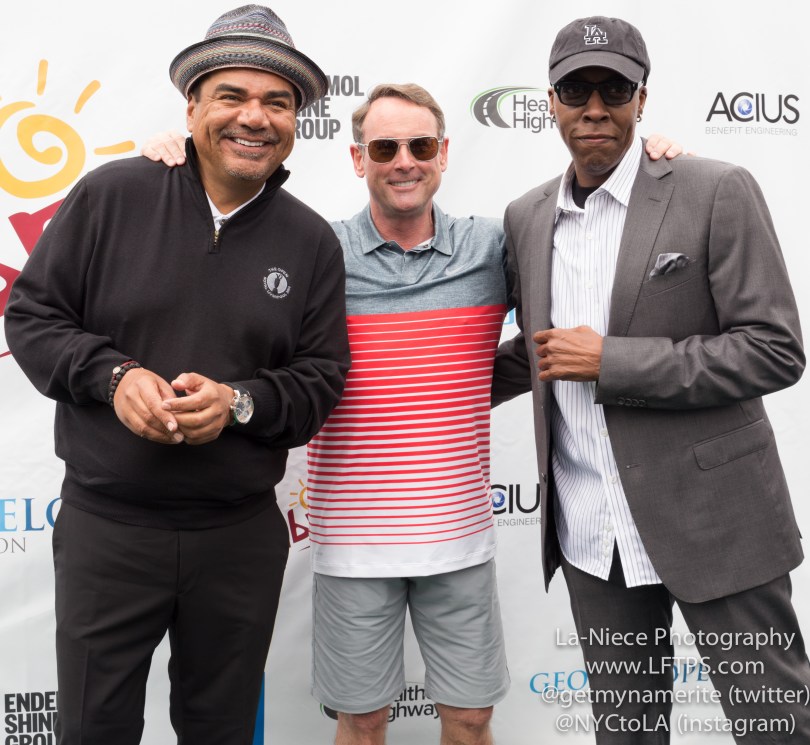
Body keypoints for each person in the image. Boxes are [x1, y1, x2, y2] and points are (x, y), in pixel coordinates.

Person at [144, 86, 682, 745]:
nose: (404, 161)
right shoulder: (318, 252)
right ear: (356, 159)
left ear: (444, 154)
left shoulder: (489, 246)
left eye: (420, 146)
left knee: (469, 719)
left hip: (460, 542)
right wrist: (172, 170)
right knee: (363, 723)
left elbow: (587, 259)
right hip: (351, 548)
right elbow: (221, 254)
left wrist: (648, 165)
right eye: (385, 147)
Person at [4, 6, 350, 745]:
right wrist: (112, 374)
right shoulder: (110, 196)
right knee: (93, 729)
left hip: (237, 537)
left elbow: (320, 380)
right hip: (108, 529)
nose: (254, 117)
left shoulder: (312, 240)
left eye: (277, 102)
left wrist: (241, 403)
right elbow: (32, 317)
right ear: (192, 106)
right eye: (231, 95)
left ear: (296, 122)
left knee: (221, 731)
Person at [493, 15, 810, 743]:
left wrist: (613, 362)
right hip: (591, 536)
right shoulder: (525, 217)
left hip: (717, 523)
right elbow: (533, 354)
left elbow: (774, 349)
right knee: (626, 732)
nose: (595, 107)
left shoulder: (715, 190)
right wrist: (414, 390)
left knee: (776, 724)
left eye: (615, 87)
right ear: (550, 100)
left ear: (643, 98)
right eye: (577, 88)